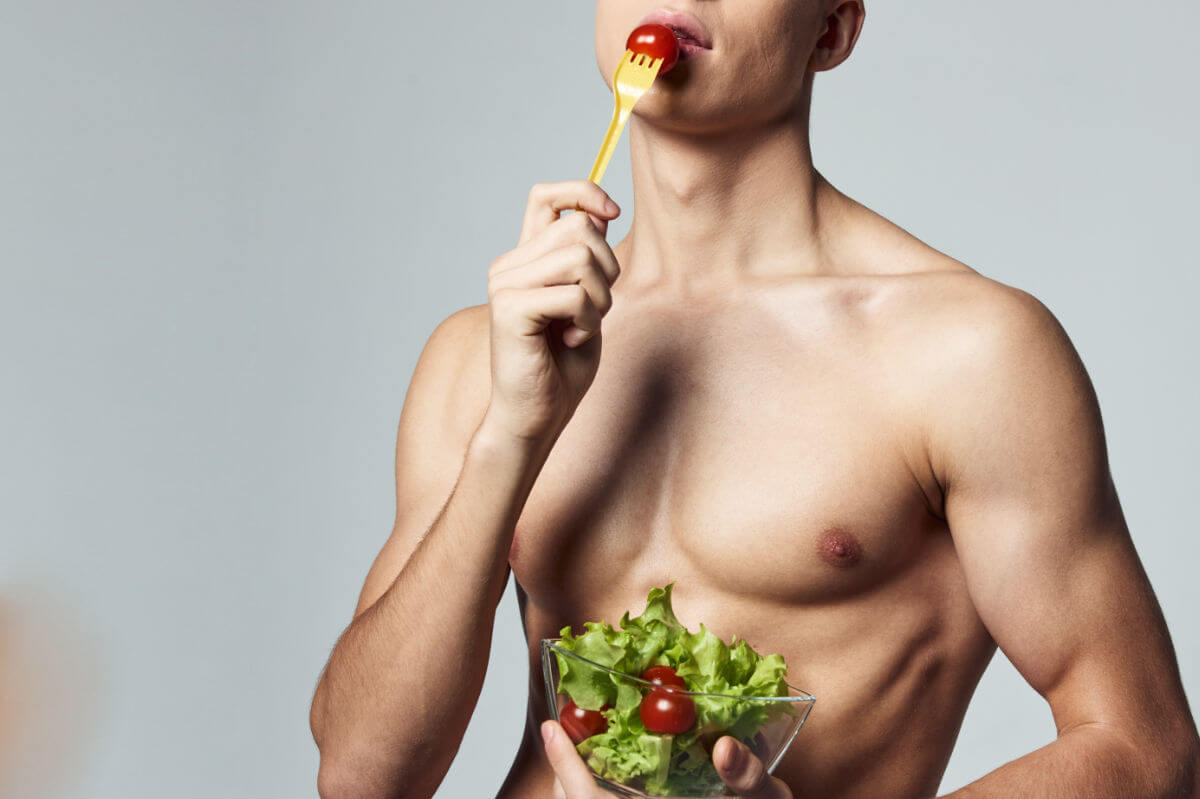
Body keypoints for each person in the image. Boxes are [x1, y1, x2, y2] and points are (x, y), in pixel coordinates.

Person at [308, 2, 1200, 797]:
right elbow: (362, 775)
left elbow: (1146, 750)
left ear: (833, 30)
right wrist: (510, 434)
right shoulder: (486, 355)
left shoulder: (966, 352)